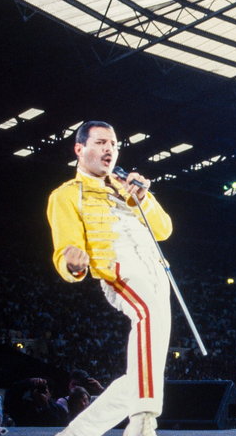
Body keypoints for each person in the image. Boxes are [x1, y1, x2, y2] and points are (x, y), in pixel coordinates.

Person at [46, 121, 173, 436]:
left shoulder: (127, 187)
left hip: (156, 268)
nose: (109, 149)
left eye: (114, 144)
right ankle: (143, 420)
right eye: (101, 142)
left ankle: (77, 434)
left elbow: (164, 230)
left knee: (145, 370)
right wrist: (73, 264)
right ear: (80, 148)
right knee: (146, 317)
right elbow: (66, 248)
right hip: (120, 267)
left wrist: (144, 198)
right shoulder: (66, 194)